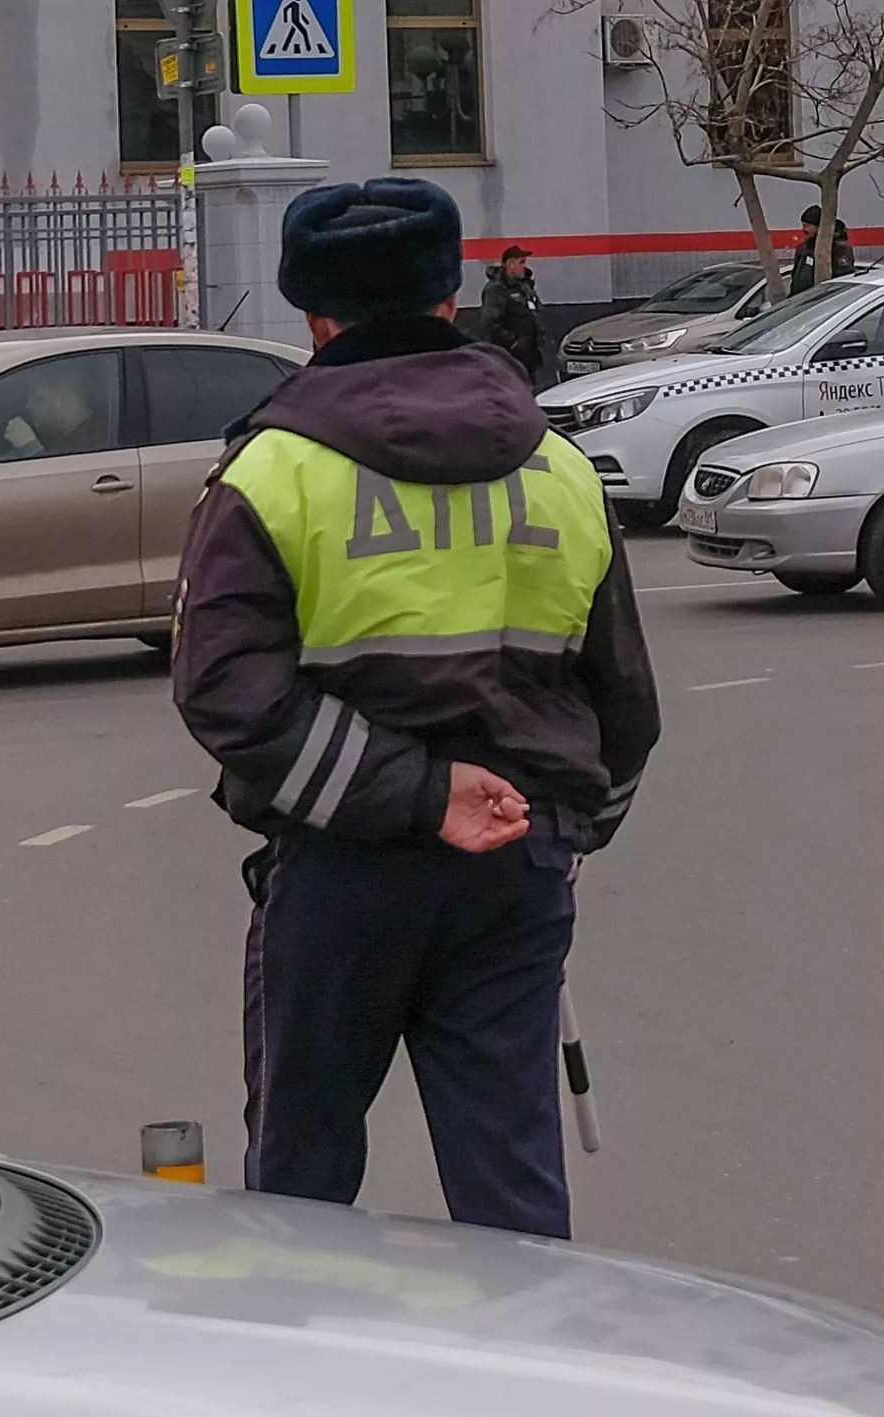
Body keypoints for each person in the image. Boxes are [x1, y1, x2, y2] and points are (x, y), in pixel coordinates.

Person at [170, 178, 662, 1241]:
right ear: (451, 298)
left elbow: (222, 685)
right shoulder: (560, 467)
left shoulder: (270, 471)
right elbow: (623, 701)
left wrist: (418, 793)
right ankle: (529, 1400)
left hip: (341, 869)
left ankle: (298, 1397)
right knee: (512, 1198)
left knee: (300, 1189)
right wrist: (566, 825)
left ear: (312, 316)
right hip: (515, 867)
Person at [480, 244, 545, 383]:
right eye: (521, 262)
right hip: (509, 357)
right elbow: (490, 322)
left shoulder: (524, 286)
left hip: (529, 353)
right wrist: (513, 342)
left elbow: (536, 309)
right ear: (510, 263)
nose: (524, 266)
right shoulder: (497, 290)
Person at [787, 206, 855, 297]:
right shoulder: (804, 248)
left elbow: (844, 277)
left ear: (819, 227)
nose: (803, 230)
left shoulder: (839, 248)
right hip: (801, 300)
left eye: (807, 226)